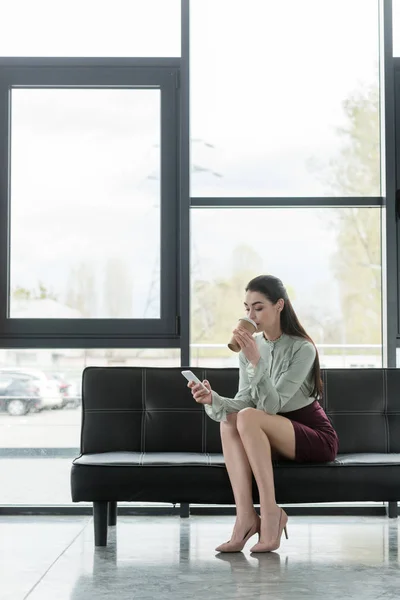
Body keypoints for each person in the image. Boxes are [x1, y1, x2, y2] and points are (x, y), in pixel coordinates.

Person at [188, 275, 338, 554]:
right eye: (246, 308)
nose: (251, 315)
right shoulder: (249, 350)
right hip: (270, 432)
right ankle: (245, 517)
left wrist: (256, 360)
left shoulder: (302, 348)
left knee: (246, 417)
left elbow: (270, 406)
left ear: (279, 305)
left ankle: (271, 513)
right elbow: (246, 400)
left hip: (312, 435)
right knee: (230, 419)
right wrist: (213, 399)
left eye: (258, 307)